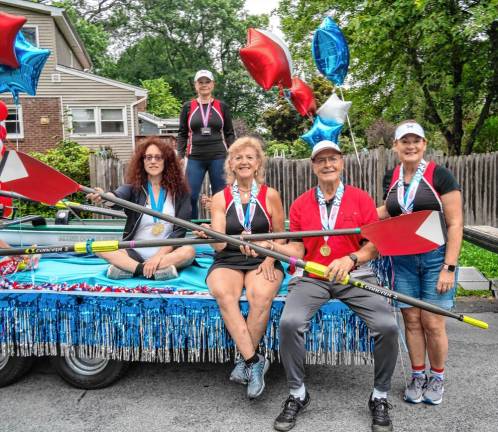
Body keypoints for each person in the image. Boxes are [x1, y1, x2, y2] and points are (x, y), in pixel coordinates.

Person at [243, 140, 398, 432]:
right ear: (313, 166)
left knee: (387, 325)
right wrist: (268, 246)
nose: (328, 164)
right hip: (313, 276)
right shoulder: (301, 203)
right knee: (290, 322)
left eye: (333, 159)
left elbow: (373, 246)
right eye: (321, 160)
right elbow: (299, 249)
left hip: (354, 276)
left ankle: (379, 396)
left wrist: (351, 259)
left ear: (342, 163)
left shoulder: (362, 199)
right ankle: (297, 393)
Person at [377, 120, 463, 406]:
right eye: (405, 141)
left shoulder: (440, 175)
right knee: (411, 320)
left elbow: (455, 223)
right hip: (402, 259)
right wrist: (356, 219)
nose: (410, 145)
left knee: (433, 321)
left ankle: (437, 377)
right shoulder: (391, 176)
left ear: (424, 144)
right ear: (396, 146)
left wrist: (448, 266)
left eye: (416, 140)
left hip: (436, 257)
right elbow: (388, 213)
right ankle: (417, 375)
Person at [195, 136, 285, 399]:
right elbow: (221, 246)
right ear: (231, 165)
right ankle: (254, 361)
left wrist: (269, 257)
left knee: (260, 297)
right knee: (224, 294)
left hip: (263, 257)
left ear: (258, 164)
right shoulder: (220, 198)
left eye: (249, 157)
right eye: (238, 157)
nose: (244, 162)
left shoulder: (271, 195)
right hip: (229, 258)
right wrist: (211, 235)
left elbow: (280, 235)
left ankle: (244, 362)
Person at [87, 137, 195, 280]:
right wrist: (105, 197)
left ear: (166, 161)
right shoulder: (133, 188)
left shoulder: (180, 192)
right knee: (99, 247)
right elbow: (116, 198)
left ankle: (128, 269)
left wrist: (158, 257)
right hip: (134, 253)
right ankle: (146, 270)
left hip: (166, 254)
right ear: (142, 161)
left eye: (158, 157)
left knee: (189, 251)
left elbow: (179, 232)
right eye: (148, 157)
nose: (153, 161)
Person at [177, 69, 236, 219]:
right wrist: (180, 154)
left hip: (218, 156)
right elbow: (182, 133)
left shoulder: (221, 106)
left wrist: (234, 154)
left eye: (207, 82)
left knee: (220, 195)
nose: (204, 85)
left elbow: (229, 132)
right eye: (200, 82)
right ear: (195, 85)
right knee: (190, 195)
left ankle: (221, 230)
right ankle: (193, 227)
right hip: (195, 157)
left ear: (213, 84)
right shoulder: (188, 107)